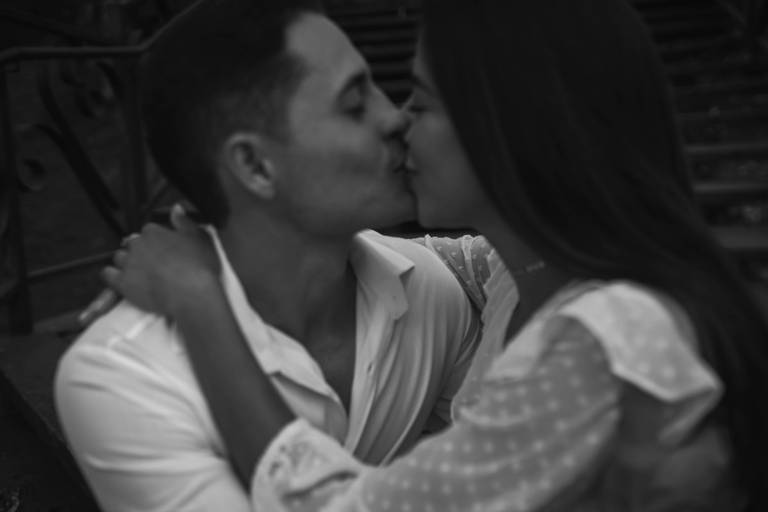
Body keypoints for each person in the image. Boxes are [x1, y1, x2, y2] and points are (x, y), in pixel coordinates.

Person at [104, 0, 768, 510]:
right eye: (365, 102)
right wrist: (223, 237)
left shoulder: (603, 339)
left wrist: (199, 298)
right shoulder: (515, 280)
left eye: (420, 101)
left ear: (512, 128)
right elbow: (450, 261)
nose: (396, 120)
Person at [53, 1, 495, 510]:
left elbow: (480, 490)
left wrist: (199, 301)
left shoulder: (431, 293)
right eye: (355, 104)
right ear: (255, 166)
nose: (395, 116)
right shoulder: (126, 376)